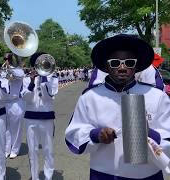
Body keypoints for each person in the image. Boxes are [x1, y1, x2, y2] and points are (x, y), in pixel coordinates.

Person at [65, 34, 170, 180]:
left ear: (136, 66)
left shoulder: (157, 96)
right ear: (106, 66)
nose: (122, 67)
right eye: (115, 63)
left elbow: (168, 136)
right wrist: (96, 135)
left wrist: (149, 134)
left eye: (129, 62)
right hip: (104, 174)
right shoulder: (90, 97)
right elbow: (73, 134)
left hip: (147, 175)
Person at [21, 53, 58, 180]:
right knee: (33, 151)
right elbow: (26, 98)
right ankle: (35, 176)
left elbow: (49, 95)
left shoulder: (52, 77)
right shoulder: (26, 79)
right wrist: (31, 83)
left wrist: (43, 78)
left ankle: (48, 177)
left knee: (48, 150)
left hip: (47, 118)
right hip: (31, 118)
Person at [4, 53, 25, 159]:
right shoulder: (3, 71)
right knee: (6, 128)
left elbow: (20, 75)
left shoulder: (18, 70)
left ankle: (15, 149)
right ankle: (7, 149)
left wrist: (9, 69)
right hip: (4, 103)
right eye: (4, 59)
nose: (5, 61)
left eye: (7, 59)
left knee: (16, 128)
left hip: (16, 103)